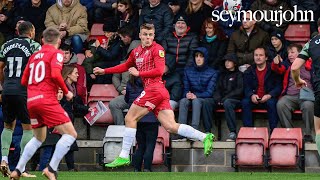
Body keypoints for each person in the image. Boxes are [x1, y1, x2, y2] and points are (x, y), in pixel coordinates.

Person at [93, 23, 214, 168]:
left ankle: (124, 155)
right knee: (170, 126)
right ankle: (204, 136)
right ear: (140, 36)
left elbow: (159, 70)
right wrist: (104, 71)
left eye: (150, 35)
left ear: (154, 36)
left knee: (130, 118)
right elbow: (125, 66)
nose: (147, 38)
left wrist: (140, 73)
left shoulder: (158, 49)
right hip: (158, 92)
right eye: (145, 34)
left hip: (154, 89)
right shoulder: (136, 51)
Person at [10, 27, 75, 180]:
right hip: (47, 100)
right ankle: (51, 169)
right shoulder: (56, 53)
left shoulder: (33, 56)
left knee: (39, 138)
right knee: (71, 134)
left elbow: (24, 81)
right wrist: (66, 91)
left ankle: (17, 170)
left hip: (31, 102)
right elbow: (55, 74)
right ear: (58, 40)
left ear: (42, 40)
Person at [0, 21, 41, 177]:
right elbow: (38, 68)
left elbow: (0, 66)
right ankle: (21, 168)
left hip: (7, 89)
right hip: (24, 90)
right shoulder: (34, 46)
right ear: (31, 32)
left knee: (8, 126)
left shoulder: (7, 44)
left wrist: (4, 85)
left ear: (18, 31)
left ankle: (4, 160)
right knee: (28, 127)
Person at [273, 44, 314, 143]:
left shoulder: (310, 64)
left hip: (307, 97)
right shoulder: (288, 65)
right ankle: (290, 132)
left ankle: (308, 134)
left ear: (300, 53)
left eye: (292, 52)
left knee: (308, 105)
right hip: (291, 96)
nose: (290, 55)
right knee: (281, 104)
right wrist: (275, 63)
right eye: (288, 53)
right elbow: (278, 69)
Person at [291, 18, 320, 156]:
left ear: (318, 29)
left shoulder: (311, 43)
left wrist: (297, 80)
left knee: (319, 130)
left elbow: (295, 67)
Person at [125, 76, 159, 172]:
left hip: (137, 119)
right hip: (151, 118)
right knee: (150, 145)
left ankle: (137, 168)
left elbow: (127, 99)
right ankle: (147, 168)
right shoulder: (152, 83)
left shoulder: (130, 83)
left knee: (140, 145)